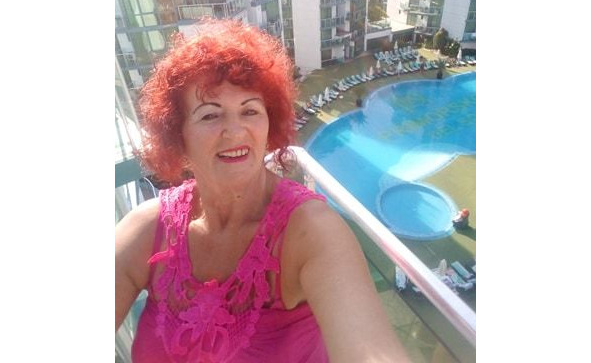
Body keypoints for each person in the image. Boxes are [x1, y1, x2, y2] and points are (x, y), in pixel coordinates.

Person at [115, 19, 409, 363]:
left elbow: (370, 350)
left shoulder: (311, 231)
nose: (235, 130)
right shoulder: (150, 228)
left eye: (250, 110)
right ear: (178, 135)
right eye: (210, 115)